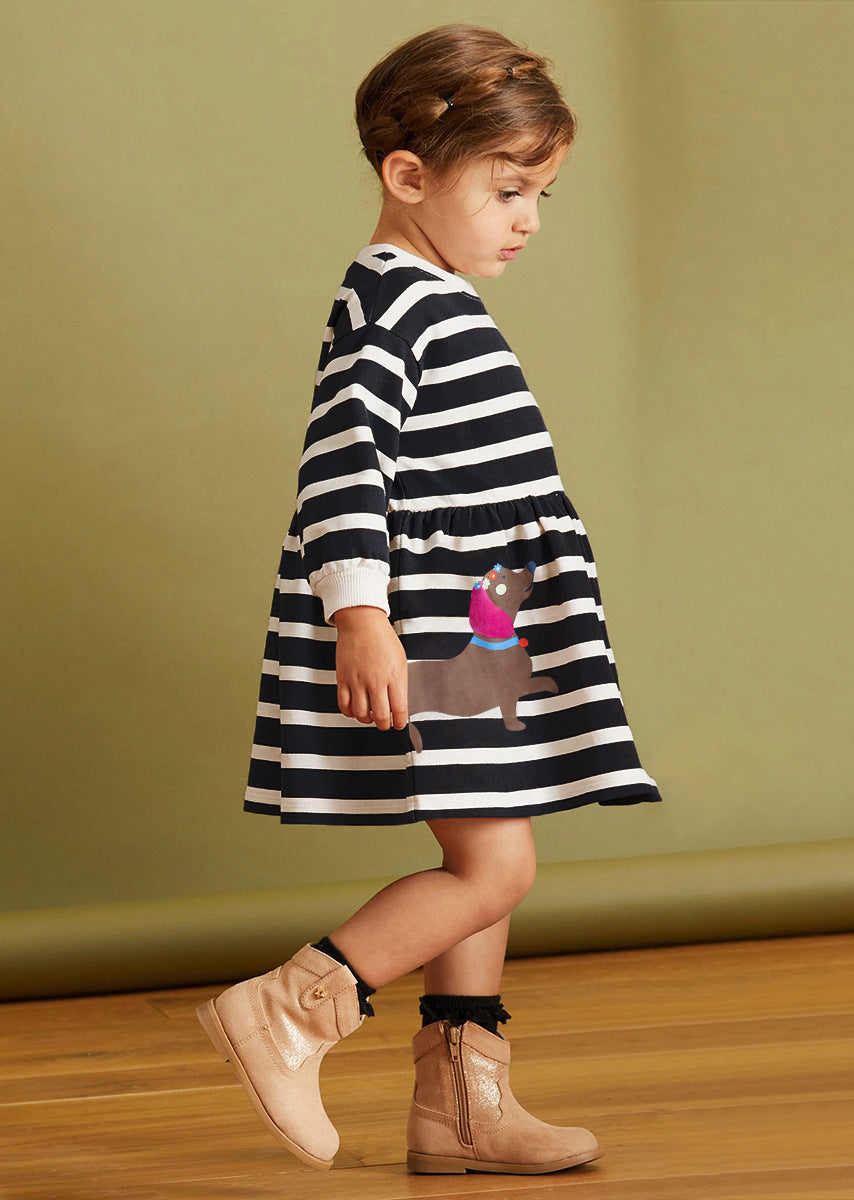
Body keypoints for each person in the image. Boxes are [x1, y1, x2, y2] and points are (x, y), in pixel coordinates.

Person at [196, 21, 662, 1177]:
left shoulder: (434, 293)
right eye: (507, 190)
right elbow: (343, 464)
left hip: (485, 622)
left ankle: (461, 1106)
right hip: (439, 624)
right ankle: (292, 1006)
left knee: (496, 846)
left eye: (540, 194)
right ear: (409, 178)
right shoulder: (390, 301)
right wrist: (361, 614)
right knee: (494, 867)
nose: (529, 219)